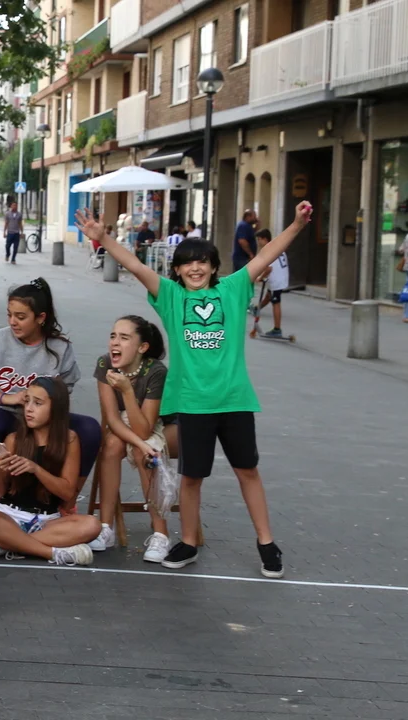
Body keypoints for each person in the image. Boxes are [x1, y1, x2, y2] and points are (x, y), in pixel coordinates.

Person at [74, 201, 314, 578]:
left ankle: (267, 543)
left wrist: (297, 224)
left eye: (202, 262)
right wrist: (103, 238)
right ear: (177, 269)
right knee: (192, 478)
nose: (195, 268)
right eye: (187, 263)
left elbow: (267, 253)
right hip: (192, 404)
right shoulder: (172, 296)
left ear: (215, 267)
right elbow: (135, 266)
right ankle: (186, 541)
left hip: (234, 400)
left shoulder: (234, 288)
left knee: (247, 471)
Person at [0, 278, 102, 493]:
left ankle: (67, 498)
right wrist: (8, 398)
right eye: (10, 315)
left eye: (21, 317)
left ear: (40, 318)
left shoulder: (60, 347)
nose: (13, 322)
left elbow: (64, 390)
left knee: (90, 429)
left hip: (48, 421)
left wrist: (44, 406)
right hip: (8, 416)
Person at [0, 377, 99, 566]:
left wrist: (36, 469)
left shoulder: (69, 440)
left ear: (55, 408)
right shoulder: (14, 439)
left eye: (38, 403)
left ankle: (7, 544)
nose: (29, 409)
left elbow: (67, 492)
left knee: (92, 525)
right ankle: (51, 552)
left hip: (48, 521)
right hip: (10, 516)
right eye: (27, 401)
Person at [92, 315, 176, 562]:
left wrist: (127, 390)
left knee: (144, 453)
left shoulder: (156, 371)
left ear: (142, 347)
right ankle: (105, 528)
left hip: (166, 427)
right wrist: (139, 443)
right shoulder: (105, 364)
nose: (115, 343)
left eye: (124, 338)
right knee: (111, 445)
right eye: (113, 336)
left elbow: (145, 430)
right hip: (127, 426)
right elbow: (112, 418)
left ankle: (161, 534)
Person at [253, 229, 290, 338]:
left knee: (276, 302)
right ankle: (257, 308)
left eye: (259, 239)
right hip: (281, 277)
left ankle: (277, 329)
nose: (258, 242)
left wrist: (260, 277)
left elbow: (269, 268)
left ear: (265, 239)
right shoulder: (277, 247)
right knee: (269, 296)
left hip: (277, 280)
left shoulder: (268, 250)